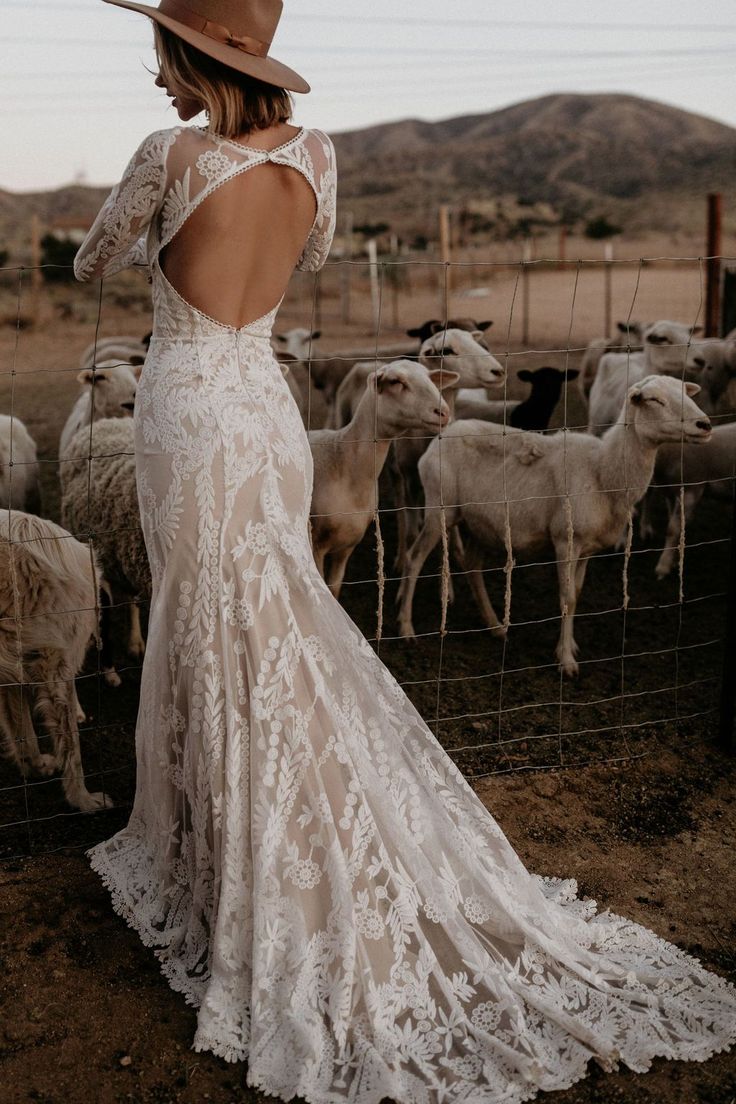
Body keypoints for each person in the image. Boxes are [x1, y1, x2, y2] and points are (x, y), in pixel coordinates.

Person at [75, 2, 736, 1100]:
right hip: (264, 409)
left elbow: (100, 256)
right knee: (274, 616)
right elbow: (313, 251)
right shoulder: (319, 157)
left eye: (162, 62)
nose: (157, 83)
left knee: (205, 618)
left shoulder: (167, 153)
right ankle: (256, 831)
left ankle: (228, 857)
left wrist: (157, 223)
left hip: (189, 408)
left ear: (196, 55)